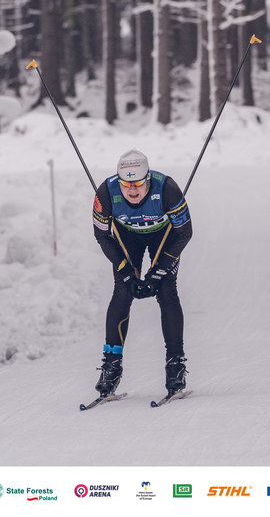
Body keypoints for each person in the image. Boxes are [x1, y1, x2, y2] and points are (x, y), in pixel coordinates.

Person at [91, 149, 193, 397]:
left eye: (138, 183)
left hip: (164, 236)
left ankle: (175, 365)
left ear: (148, 178)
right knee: (122, 291)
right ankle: (111, 366)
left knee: (166, 289)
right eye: (126, 184)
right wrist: (126, 271)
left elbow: (184, 233)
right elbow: (102, 236)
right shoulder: (105, 193)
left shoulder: (167, 189)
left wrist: (159, 270)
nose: (132, 190)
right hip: (128, 237)